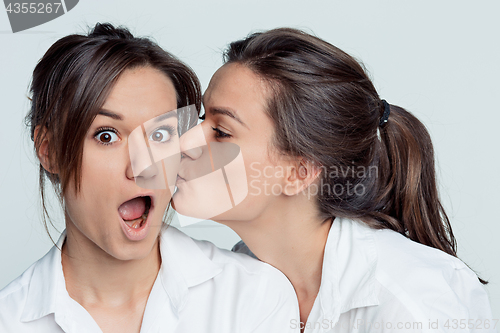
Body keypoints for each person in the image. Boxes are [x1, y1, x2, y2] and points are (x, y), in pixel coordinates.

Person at [173, 28, 495, 332]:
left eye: (221, 131)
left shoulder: (416, 302)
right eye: (202, 118)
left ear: (299, 172)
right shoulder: (238, 276)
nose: (185, 142)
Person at [0, 23, 299, 333]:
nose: (144, 168)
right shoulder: (9, 320)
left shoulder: (252, 297)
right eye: (106, 136)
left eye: (160, 134)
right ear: (49, 150)